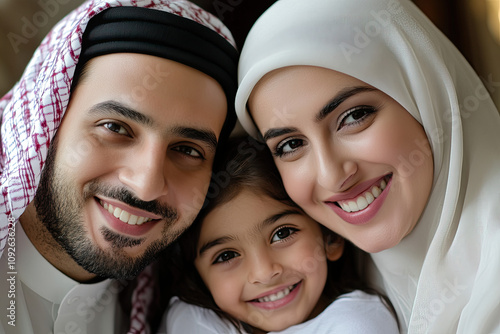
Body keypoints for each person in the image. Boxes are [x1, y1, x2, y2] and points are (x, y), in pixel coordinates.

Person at [234, 0, 500, 333]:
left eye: (354, 117)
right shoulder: (330, 277)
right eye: (291, 145)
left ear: (425, 95)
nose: (332, 175)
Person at [0, 0, 238, 333]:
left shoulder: (176, 309)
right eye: (115, 128)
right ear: (44, 122)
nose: (146, 185)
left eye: (187, 150)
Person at [158, 136, 399, 333]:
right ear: (199, 277)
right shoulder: (194, 320)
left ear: (330, 237)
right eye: (226, 256)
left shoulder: (357, 322)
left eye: (282, 234)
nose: (264, 273)